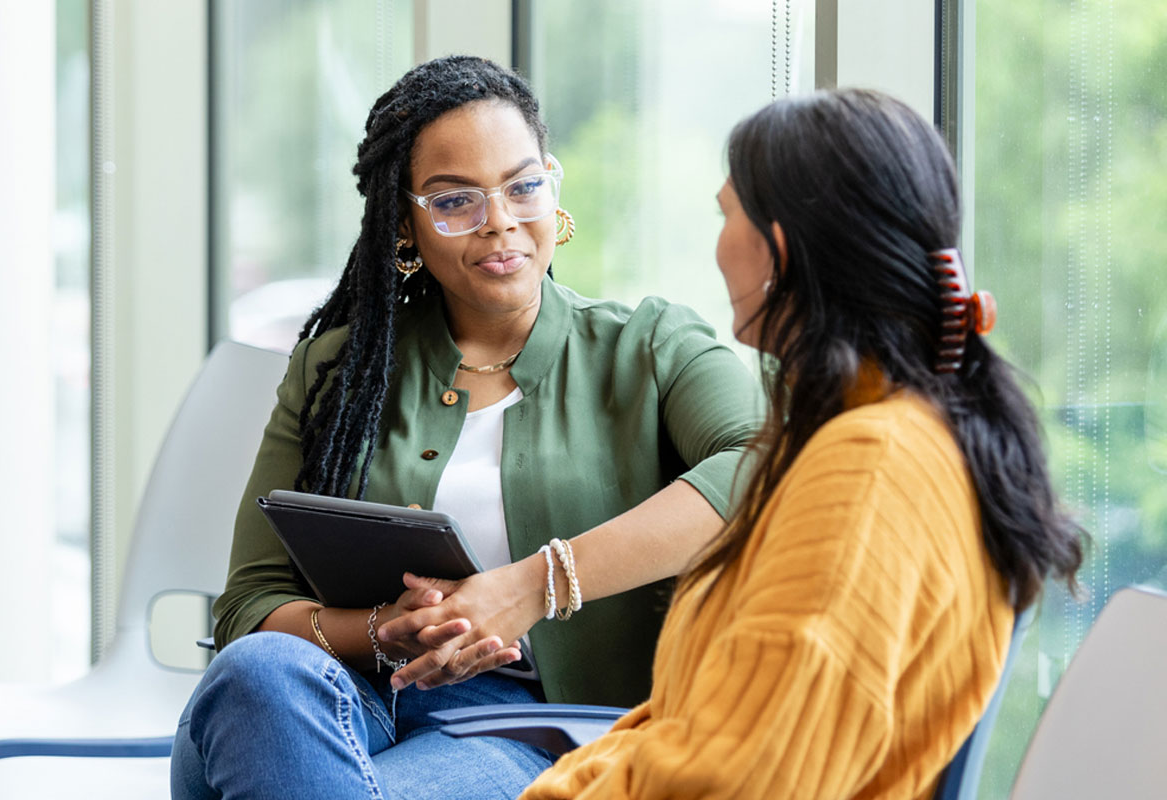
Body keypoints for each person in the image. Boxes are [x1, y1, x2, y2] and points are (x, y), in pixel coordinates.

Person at [169, 56, 762, 800]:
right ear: (405, 222)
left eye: (522, 186)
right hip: (327, 704)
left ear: (553, 183)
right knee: (256, 673)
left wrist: (532, 586)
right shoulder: (337, 370)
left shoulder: (651, 347)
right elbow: (250, 610)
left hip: (526, 729)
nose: (500, 223)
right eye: (455, 201)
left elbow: (763, 469)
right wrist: (385, 628)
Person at [519, 88, 1087, 800]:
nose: (718, 241)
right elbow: (700, 729)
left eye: (726, 214)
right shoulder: (884, 437)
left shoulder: (871, 469)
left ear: (778, 249)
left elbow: (741, 779)